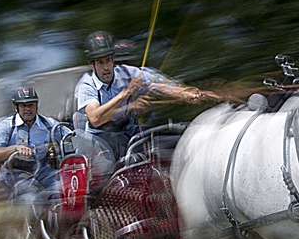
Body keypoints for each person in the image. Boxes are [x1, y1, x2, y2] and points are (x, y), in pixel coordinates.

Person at [73, 31, 209, 172]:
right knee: (132, 158)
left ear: (113, 59)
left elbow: (156, 84)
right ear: (92, 65)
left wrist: (183, 93)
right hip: (103, 144)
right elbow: (95, 118)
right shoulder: (86, 85)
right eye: (100, 62)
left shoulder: (126, 73)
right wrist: (125, 95)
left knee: (176, 142)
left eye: (108, 60)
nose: (106, 67)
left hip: (131, 136)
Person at [0, 86, 65, 204]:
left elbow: (71, 137)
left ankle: (60, 221)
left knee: (65, 194)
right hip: (17, 174)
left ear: (36, 105)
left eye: (31, 105)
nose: (28, 109)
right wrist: (15, 149)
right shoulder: (6, 126)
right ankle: (30, 222)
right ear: (16, 107)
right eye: (23, 106)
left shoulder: (49, 124)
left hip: (45, 172)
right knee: (32, 200)